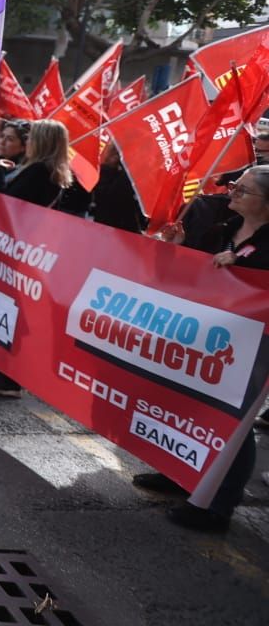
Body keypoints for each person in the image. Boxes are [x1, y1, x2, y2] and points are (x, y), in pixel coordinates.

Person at [135, 165, 269, 531]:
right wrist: (177, 249)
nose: (232, 194)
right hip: (206, 336)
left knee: (234, 424)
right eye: (234, 187)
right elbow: (189, 275)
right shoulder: (220, 230)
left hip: (252, 346)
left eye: (242, 191)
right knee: (190, 408)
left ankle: (219, 507)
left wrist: (245, 265)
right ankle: (180, 473)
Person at [0, 119, 86, 398]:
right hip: (25, 246)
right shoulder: (51, 171)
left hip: (19, 247)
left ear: (43, 142)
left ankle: (9, 376)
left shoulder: (39, 170)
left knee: (14, 308)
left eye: (33, 138)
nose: (29, 142)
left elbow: (9, 200)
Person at [89, 141, 145, 233]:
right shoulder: (105, 173)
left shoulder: (129, 176)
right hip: (108, 228)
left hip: (121, 230)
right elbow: (113, 197)